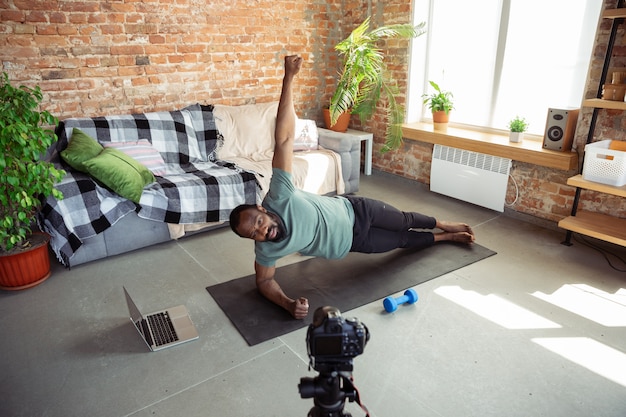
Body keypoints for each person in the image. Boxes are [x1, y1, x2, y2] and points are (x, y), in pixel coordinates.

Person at [229, 55, 475, 320]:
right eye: (255, 234)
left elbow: (285, 139)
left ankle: (443, 223)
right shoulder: (267, 250)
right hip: (355, 241)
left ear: (261, 208)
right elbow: (264, 283)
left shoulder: (280, 194)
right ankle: (444, 238)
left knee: (404, 220)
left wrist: (288, 77)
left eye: (258, 221)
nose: (262, 230)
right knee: (401, 241)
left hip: (357, 209)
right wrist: (288, 304)